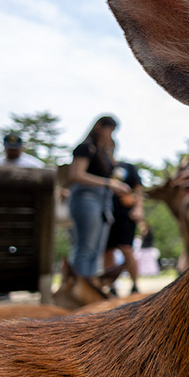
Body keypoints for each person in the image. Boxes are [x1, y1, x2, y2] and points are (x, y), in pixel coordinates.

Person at [67, 116, 129, 277]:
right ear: (99, 127)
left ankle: (90, 285)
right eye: (110, 130)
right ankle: (79, 289)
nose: (111, 135)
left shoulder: (103, 152)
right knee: (85, 247)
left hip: (103, 201)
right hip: (86, 197)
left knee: (97, 249)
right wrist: (109, 183)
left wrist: (109, 153)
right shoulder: (85, 148)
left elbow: (116, 173)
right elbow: (76, 174)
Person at [103, 160, 144, 295]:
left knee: (126, 249)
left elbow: (138, 189)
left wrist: (138, 208)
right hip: (106, 213)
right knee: (107, 252)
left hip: (125, 215)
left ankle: (135, 285)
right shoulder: (102, 165)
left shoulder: (128, 166)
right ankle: (111, 286)